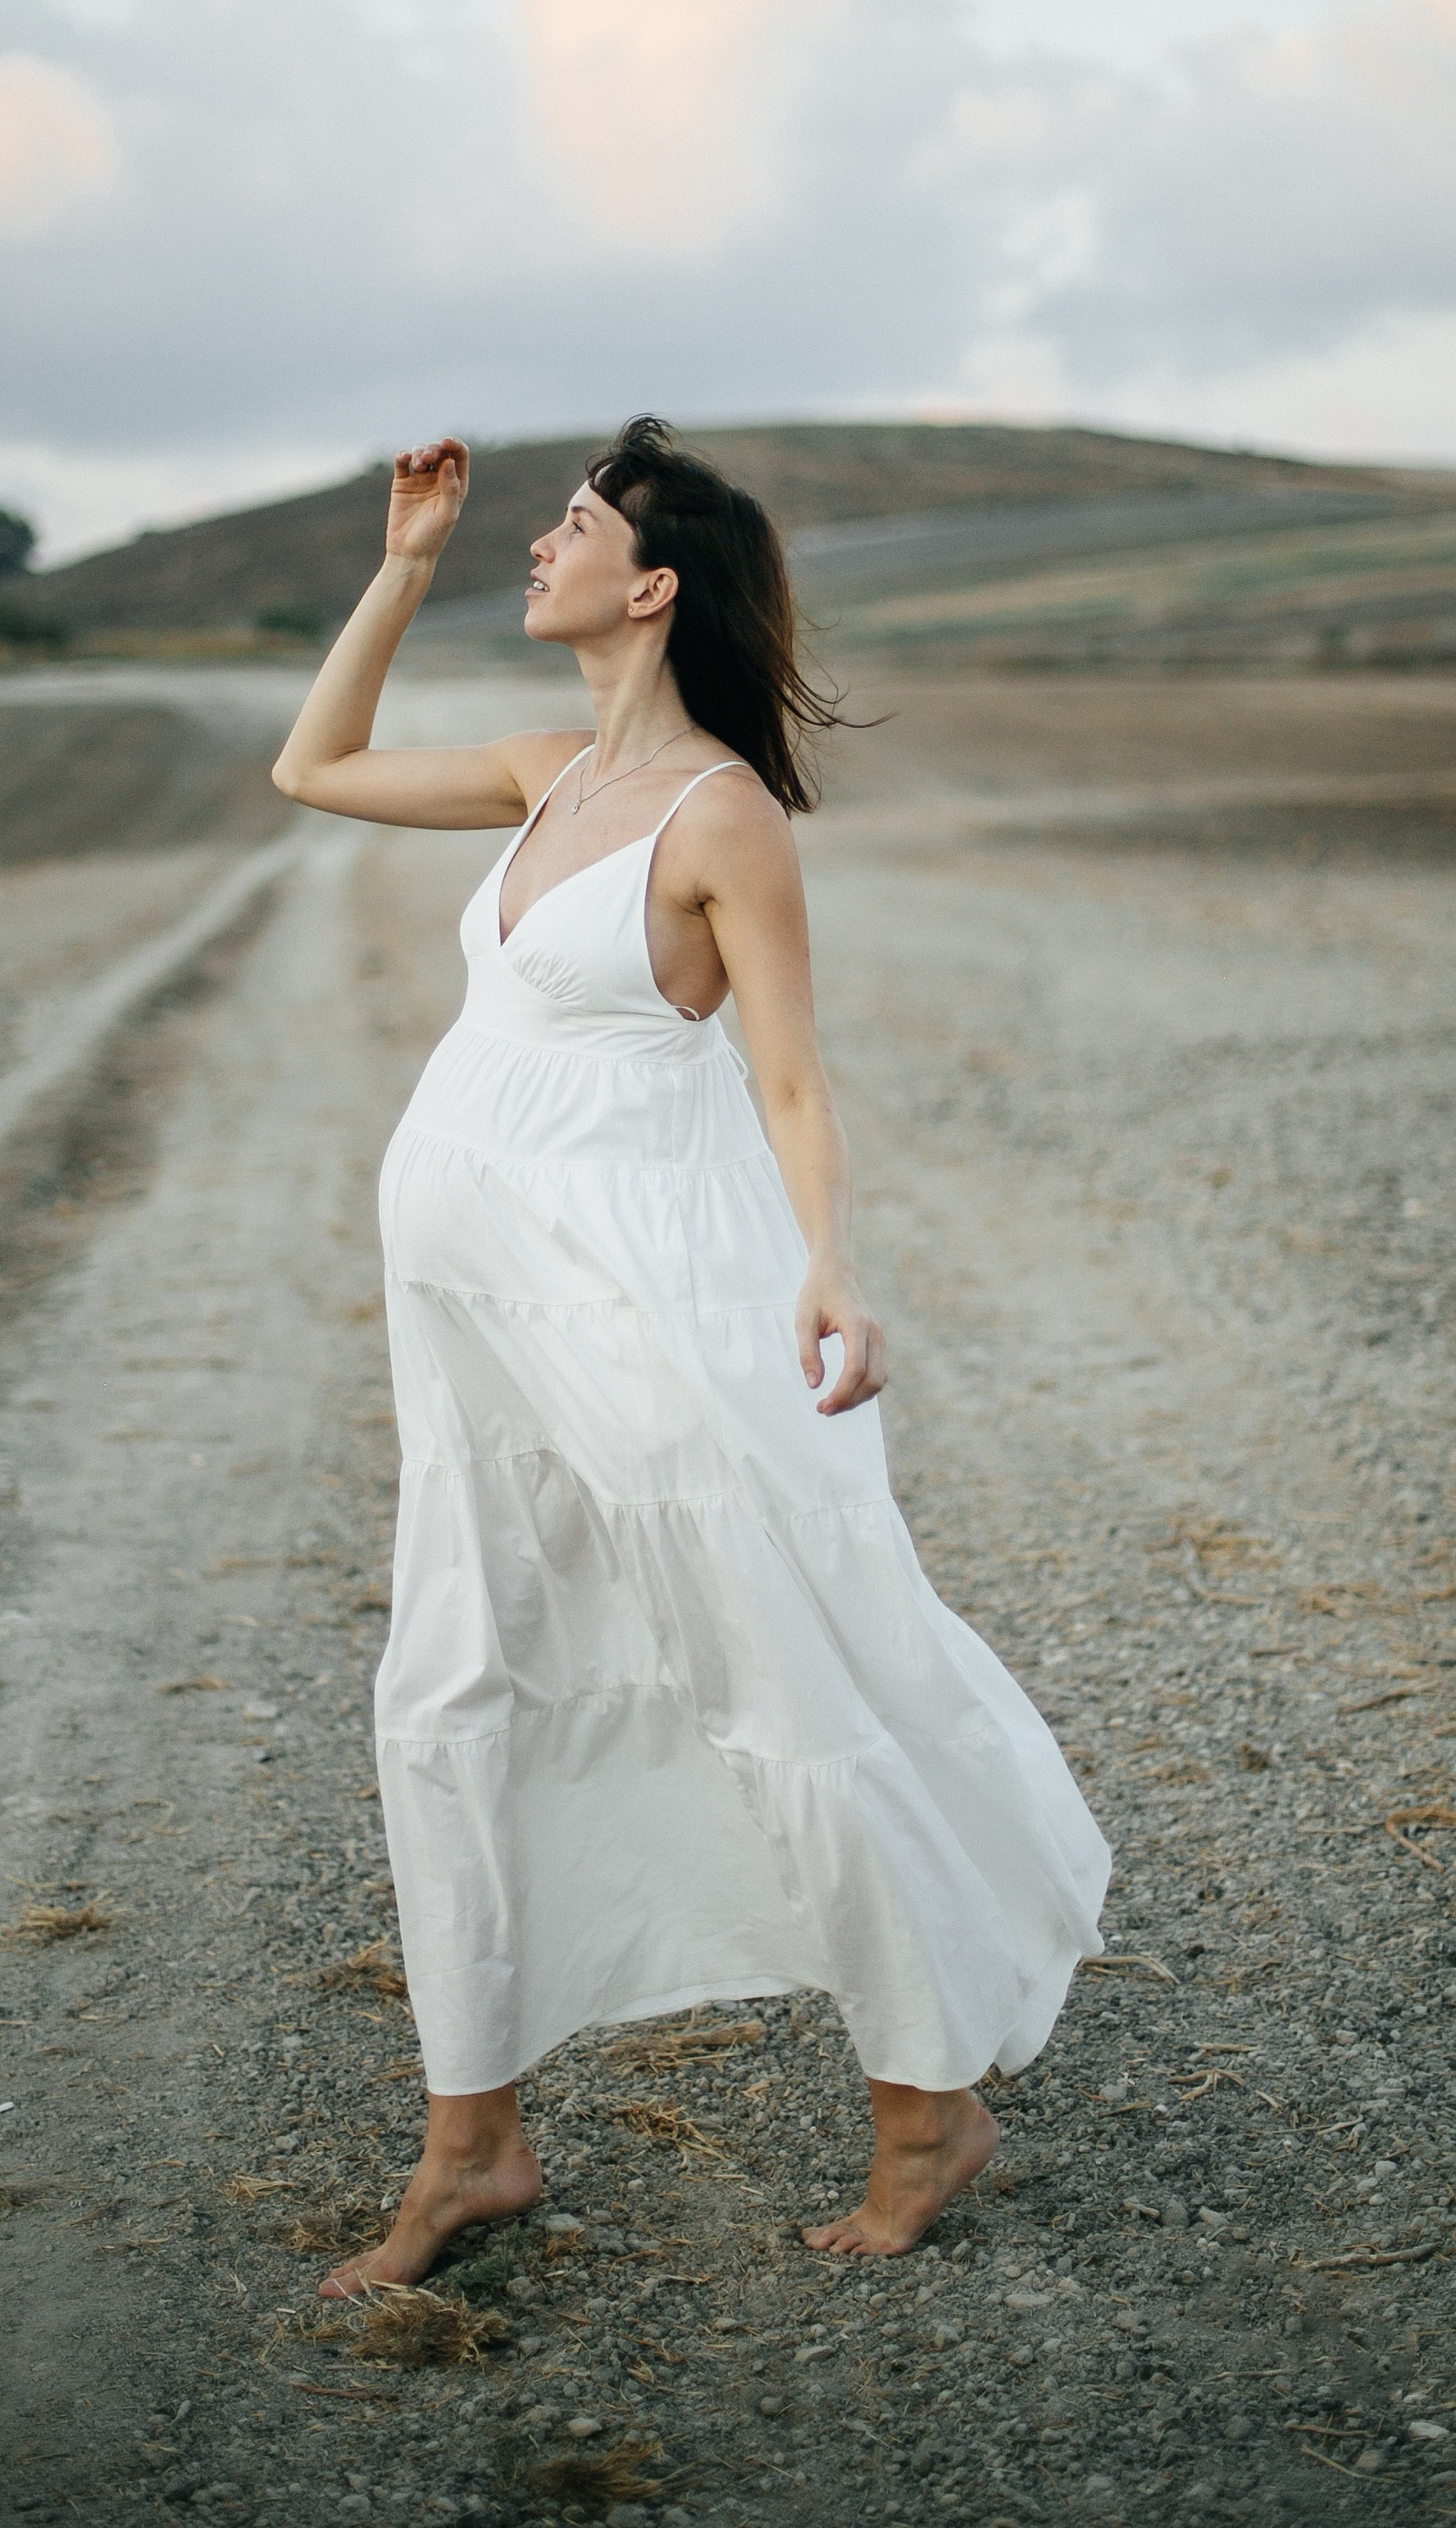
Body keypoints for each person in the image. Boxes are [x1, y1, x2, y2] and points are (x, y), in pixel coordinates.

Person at [270, 417, 1108, 2289]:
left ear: (646, 585)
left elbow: (789, 1070)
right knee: (456, 1681)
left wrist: (829, 1265)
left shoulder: (713, 815)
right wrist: (399, 563)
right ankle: (470, 2149)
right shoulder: (540, 770)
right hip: (477, 1344)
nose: (533, 547)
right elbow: (307, 762)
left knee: (772, 1675)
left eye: (561, 528)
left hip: (635, 1305)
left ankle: (926, 2108)